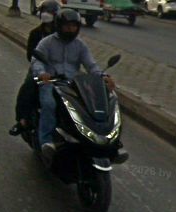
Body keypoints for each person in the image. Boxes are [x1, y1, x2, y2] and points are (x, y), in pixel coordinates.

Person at [31, 8, 116, 161]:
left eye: (73, 26)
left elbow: (91, 65)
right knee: (49, 104)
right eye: (67, 26)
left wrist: (103, 76)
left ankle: (101, 141)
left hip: (72, 83)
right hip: (51, 82)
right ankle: (46, 142)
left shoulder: (80, 45)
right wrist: (42, 73)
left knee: (88, 106)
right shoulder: (47, 42)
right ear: (59, 26)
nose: (70, 29)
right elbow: (36, 60)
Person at [10, 0, 61, 135]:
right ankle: (22, 120)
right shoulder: (35, 33)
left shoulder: (62, 34)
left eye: (49, 13)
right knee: (28, 87)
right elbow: (30, 55)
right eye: (44, 12)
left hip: (60, 70)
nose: (46, 15)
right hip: (40, 69)